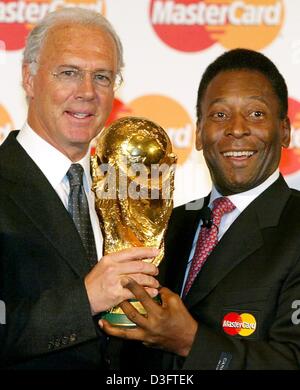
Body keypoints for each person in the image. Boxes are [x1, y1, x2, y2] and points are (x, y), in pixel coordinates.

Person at [101, 48, 300, 370]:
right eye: (219, 115)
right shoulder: (164, 225)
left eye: (256, 114)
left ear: (285, 131)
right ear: (198, 133)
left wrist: (192, 342)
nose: (236, 129)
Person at [0, 7, 160, 369]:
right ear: (29, 78)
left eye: (102, 77)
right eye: (69, 73)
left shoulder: (124, 189)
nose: (87, 92)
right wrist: (85, 299)